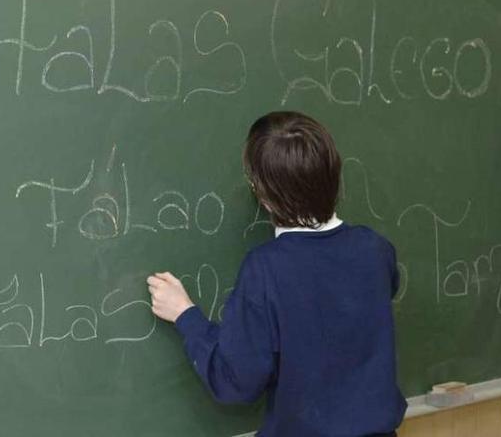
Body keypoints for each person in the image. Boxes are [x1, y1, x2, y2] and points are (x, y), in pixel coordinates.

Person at [147, 111, 406, 436]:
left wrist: (186, 316)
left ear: (263, 195)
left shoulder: (267, 269)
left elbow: (236, 382)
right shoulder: (375, 250)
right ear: (334, 174)